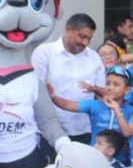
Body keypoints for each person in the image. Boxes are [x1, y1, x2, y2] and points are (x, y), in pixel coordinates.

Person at [31, 13, 106, 144]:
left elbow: (100, 94)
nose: (85, 42)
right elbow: (36, 93)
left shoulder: (94, 57)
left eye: (89, 38)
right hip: (51, 130)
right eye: (82, 36)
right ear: (68, 29)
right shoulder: (44, 53)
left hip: (85, 130)